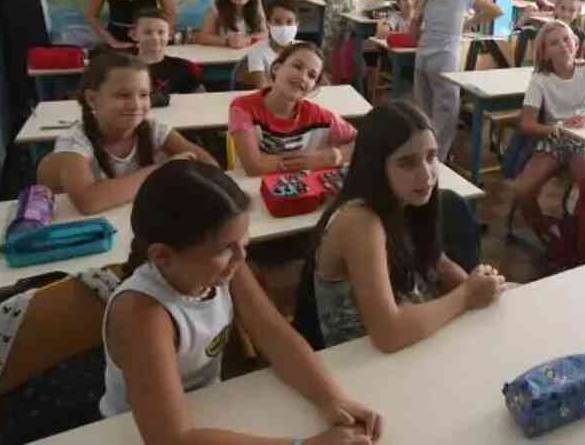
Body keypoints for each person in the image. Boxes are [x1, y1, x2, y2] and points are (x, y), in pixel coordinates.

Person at [101, 160, 383, 444]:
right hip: (136, 432)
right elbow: (169, 438)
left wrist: (332, 399)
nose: (241, 257)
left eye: (243, 242)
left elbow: (273, 333)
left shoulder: (220, 268)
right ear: (163, 256)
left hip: (209, 410)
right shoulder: (142, 315)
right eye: (225, 248)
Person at [296, 101, 506, 351]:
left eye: (431, 157)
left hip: (413, 341)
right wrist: (467, 295)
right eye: (407, 163)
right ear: (375, 166)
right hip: (364, 365)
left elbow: (438, 263)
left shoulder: (405, 199)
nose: (426, 175)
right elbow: (389, 334)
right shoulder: (359, 221)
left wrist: (480, 286)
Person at [49, 51, 216, 214]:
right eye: (123, 95)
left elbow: (210, 168)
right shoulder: (74, 140)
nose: (136, 105)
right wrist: (163, 171)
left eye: (143, 95)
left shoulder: (153, 129)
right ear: (92, 99)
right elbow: (89, 202)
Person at [512, 21, 585, 247]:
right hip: (554, 140)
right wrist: (553, 129)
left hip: (582, 141)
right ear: (544, 53)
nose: (563, 45)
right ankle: (548, 234)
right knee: (523, 190)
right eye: (554, 43)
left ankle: (584, 234)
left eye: (566, 39)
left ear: (575, 42)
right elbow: (527, 123)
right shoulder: (540, 79)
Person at [410, 0, 504, 161]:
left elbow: (413, 34)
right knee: (446, 116)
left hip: (422, 59)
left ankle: (421, 153)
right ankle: (437, 160)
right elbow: (497, 11)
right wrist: (467, 24)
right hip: (444, 63)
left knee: (423, 113)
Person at [230, 42, 357, 176]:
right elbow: (255, 167)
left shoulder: (321, 117)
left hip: (301, 191)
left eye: (311, 75)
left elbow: (363, 142)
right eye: (297, 66)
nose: (303, 77)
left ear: (313, 87)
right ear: (276, 68)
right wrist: (312, 161)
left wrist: (335, 156)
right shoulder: (243, 107)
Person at [132, 7, 203, 95]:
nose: (155, 37)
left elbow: (201, 98)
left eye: (161, 32)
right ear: (134, 35)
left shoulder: (183, 67)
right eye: (147, 32)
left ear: (169, 35)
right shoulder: (122, 69)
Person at [242, 0, 300, 89]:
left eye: (289, 22)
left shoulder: (305, 50)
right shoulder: (256, 51)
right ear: (268, 23)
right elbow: (263, 88)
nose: (284, 27)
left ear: (297, 23)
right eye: (277, 21)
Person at [553, 0, 585, 64]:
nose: (566, 14)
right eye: (562, 8)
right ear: (556, 8)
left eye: (571, 10)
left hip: (574, 72)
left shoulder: (580, 33)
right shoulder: (549, 32)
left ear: (577, 14)